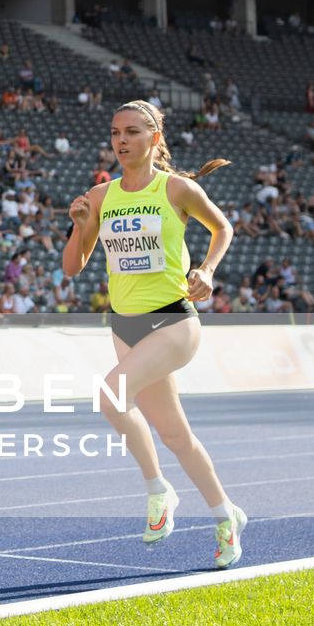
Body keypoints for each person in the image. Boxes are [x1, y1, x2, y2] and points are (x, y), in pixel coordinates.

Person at [62, 101, 247, 569]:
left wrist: (206, 269)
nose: (121, 141)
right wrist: (82, 226)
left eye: (131, 132)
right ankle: (226, 516)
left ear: (155, 138)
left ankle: (157, 489)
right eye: (114, 132)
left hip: (174, 321)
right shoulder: (101, 196)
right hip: (125, 325)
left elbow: (222, 227)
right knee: (175, 434)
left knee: (110, 396)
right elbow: (71, 268)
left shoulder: (177, 189)